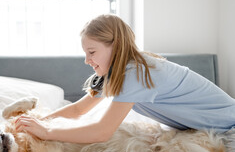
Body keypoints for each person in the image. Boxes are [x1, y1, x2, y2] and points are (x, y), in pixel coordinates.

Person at [16, 14, 235, 143]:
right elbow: (77, 110)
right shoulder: (118, 72)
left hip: (229, 127)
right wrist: (40, 122)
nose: (86, 60)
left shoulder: (137, 71)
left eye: (92, 52)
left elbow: (102, 131)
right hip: (215, 129)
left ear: (116, 46)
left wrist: (48, 133)